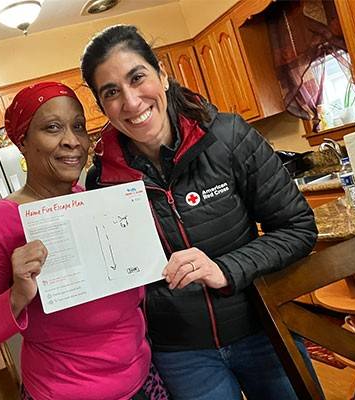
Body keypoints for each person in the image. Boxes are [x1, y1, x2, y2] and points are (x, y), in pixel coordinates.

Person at [80, 25, 322, 400]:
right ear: (102, 107)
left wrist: (224, 269)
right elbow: (120, 281)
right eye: (111, 92)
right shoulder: (101, 182)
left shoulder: (228, 137)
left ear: (162, 74)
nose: (130, 102)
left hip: (263, 329)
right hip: (181, 354)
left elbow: (298, 228)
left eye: (137, 77)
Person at [0, 82, 169, 400]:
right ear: (22, 143)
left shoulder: (94, 204)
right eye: (52, 128)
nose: (72, 141)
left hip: (144, 382)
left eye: (78, 127)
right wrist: (16, 297)